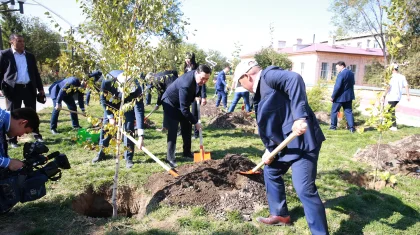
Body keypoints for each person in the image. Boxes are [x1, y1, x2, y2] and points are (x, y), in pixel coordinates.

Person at [234, 60, 328, 234]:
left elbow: (294, 79)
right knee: (271, 171)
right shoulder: (261, 92)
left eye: (241, 83)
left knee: (304, 189)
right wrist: (269, 150)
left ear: (247, 76)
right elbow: (273, 122)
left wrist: (300, 117)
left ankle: (320, 232)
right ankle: (280, 215)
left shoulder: (269, 76)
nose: (244, 87)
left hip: (304, 144)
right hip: (286, 144)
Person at [161, 64, 211, 168]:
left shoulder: (197, 77)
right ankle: (170, 158)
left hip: (181, 103)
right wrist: (196, 122)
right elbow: (184, 109)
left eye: (207, 79)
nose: (204, 81)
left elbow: (197, 88)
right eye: (202, 78)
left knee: (187, 127)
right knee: (173, 130)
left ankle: (187, 152)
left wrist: (196, 96)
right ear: (197, 73)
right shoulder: (186, 84)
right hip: (170, 103)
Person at [92, 70, 145, 168]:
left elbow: (139, 110)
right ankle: (101, 152)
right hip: (110, 104)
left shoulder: (137, 88)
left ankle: (128, 158)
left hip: (127, 104)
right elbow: (103, 99)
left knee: (129, 128)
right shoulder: (108, 80)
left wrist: (141, 135)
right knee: (106, 128)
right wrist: (110, 117)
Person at [0, 34, 45, 147]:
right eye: (19, 41)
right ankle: (12, 139)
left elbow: (35, 73)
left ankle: (36, 134)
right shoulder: (4, 54)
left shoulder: (30, 56)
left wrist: (40, 89)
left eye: (23, 41)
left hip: (29, 88)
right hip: (13, 89)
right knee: (13, 114)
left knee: (32, 112)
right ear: (12, 42)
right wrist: (1, 88)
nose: (22, 43)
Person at [183, 52, 207, 138]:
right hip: (187, 93)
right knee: (184, 111)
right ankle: (184, 130)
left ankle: (196, 133)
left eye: (188, 59)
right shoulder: (186, 68)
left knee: (194, 113)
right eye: (186, 59)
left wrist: (203, 96)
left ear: (192, 59)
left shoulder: (197, 68)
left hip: (196, 94)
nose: (187, 60)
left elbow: (203, 83)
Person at [383, 64, 410, 131]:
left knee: (391, 110)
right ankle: (388, 124)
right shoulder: (402, 77)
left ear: (392, 69)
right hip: (398, 97)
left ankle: (394, 126)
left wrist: (384, 95)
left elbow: (388, 87)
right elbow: (406, 85)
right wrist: (408, 95)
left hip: (392, 96)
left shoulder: (391, 77)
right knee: (389, 110)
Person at [330, 61, 355, 133]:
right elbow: (353, 83)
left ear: (342, 66)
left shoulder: (341, 74)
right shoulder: (351, 73)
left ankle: (333, 127)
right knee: (348, 112)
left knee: (334, 111)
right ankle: (351, 128)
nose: (337, 69)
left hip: (339, 97)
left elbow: (337, 86)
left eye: (337, 68)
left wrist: (333, 96)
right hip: (349, 96)